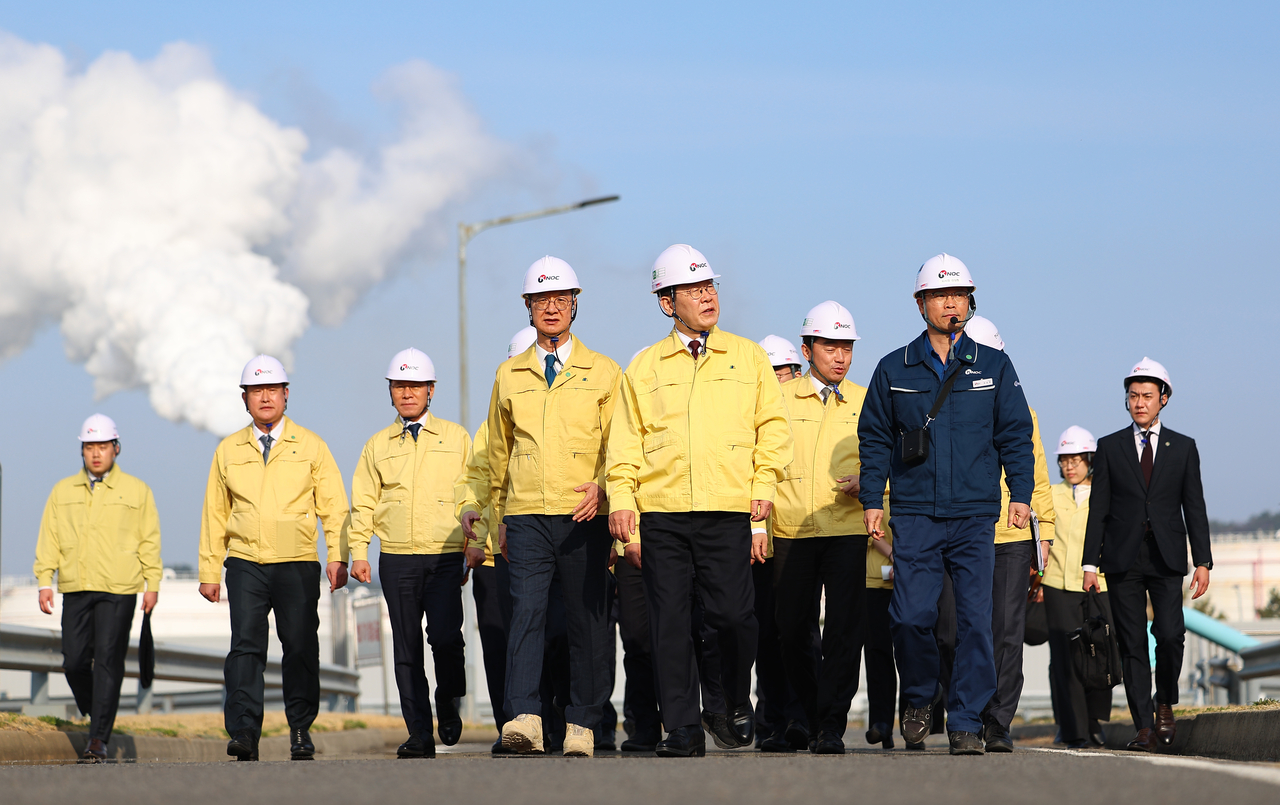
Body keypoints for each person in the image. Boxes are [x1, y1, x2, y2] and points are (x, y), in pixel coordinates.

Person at [607, 243, 793, 758]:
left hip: (728, 508)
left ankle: (732, 699)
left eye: (709, 286)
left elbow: (773, 431)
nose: (707, 297)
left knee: (735, 618)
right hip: (663, 511)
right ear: (667, 303)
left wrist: (762, 490)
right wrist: (623, 499)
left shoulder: (749, 357)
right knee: (669, 624)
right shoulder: (643, 367)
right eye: (693, 290)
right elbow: (625, 441)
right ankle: (683, 729)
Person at [857, 253, 1035, 756]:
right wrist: (874, 499)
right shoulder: (894, 367)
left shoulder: (995, 365)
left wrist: (1019, 494)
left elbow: (1016, 435)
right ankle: (917, 700)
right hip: (913, 513)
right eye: (939, 295)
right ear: (920, 304)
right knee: (911, 616)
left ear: (970, 301)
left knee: (977, 622)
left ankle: (965, 721)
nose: (949, 303)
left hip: (975, 515)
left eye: (957, 295)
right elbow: (873, 438)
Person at [486, 257, 621, 757]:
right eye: (540, 300)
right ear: (527, 307)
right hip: (524, 516)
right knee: (526, 615)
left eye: (560, 299)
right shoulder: (509, 374)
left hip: (584, 515)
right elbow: (497, 452)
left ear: (575, 305)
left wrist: (606, 489)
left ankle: (583, 724)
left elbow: (621, 445)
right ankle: (524, 719)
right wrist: (497, 516)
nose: (551, 308)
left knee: (588, 621)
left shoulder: (604, 371)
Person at [198, 355, 350, 762]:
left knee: (299, 645)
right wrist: (209, 569)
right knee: (246, 647)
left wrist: (338, 555)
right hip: (245, 560)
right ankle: (245, 732)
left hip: (297, 560)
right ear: (244, 398)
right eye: (255, 391)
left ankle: (300, 729)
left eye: (271, 390)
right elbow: (215, 513)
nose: (264, 398)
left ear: (286, 394)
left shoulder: (312, 445)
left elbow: (334, 507)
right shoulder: (228, 450)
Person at [348, 348, 477, 759]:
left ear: (430, 390)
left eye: (415, 386)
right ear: (390, 392)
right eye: (400, 386)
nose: (407, 393)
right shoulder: (376, 445)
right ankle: (419, 733)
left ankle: (448, 698)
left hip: (443, 555)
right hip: (398, 558)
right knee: (406, 648)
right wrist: (358, 552)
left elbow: (473, 491)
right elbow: (363, 503)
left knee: (445, 638)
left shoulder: (456, 438)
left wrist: (476, 541)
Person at [1082, 358, 1211, 751]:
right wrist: (1089, 563)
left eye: (1147, 396)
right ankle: (1142, 724)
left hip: (1167, 556)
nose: (1139, 402)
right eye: (1133, 396)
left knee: (1171, 634)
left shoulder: (1184, 447)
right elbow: (1098, 508)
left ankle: (1165, 703)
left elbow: (1195, 506)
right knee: (1132, 641)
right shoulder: (1109, 447)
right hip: (1122, 559)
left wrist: (1203, 561)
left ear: (1164, 399)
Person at [33, 414, 161, 762]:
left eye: (103, 446)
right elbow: (50, 539)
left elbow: (149, 540)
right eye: (90, 447)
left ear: (116, 448)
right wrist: (45, 580)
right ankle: (97, 709)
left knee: (108, 660)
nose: (96, 453)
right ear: (82, 450)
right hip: (76, 586)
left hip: (120, 588)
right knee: (74, 661)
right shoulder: (62, 491)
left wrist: (153, 583)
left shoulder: (137, 491)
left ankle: (98, 739)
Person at [770, 301, 869, 754]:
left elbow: (885, 459)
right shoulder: (778, 400)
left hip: (846, 529)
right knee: (792, 631)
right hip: (790, 527)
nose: (840, 356)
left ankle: (830, 724)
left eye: (846, 347)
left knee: (845, 632)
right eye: (830, 346)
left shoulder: (868, 400)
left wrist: (870, 482)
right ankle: (805, 716)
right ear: (807, 349)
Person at [961, 316, 1057, 752]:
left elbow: (1038, 477)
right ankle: (965, 711)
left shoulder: (1026, 413)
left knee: (1006, 632)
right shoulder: (951, 405)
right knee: (959, 628)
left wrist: (1047, 532)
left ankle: (998, 720)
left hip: (1013, 537)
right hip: (963, 529)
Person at [455, 326, 537, 754]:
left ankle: (549, 717)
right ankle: (512, 725)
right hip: (493, 555)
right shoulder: (489, 429)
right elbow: (477, 482)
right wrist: (474, 533)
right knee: (497, 638)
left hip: (541, 548)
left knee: (544, 633)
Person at [1045, 425, 1113, 749]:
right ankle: (1073, 729)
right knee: (1066, 660)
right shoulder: (1051, 494)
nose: (1069, 467)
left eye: (1076, 460)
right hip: (1058, 584)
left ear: (1090, 460)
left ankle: (1096, 722)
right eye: (1063, 461)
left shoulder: (1106, 492)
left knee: (1101, 654)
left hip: (1099, 585)